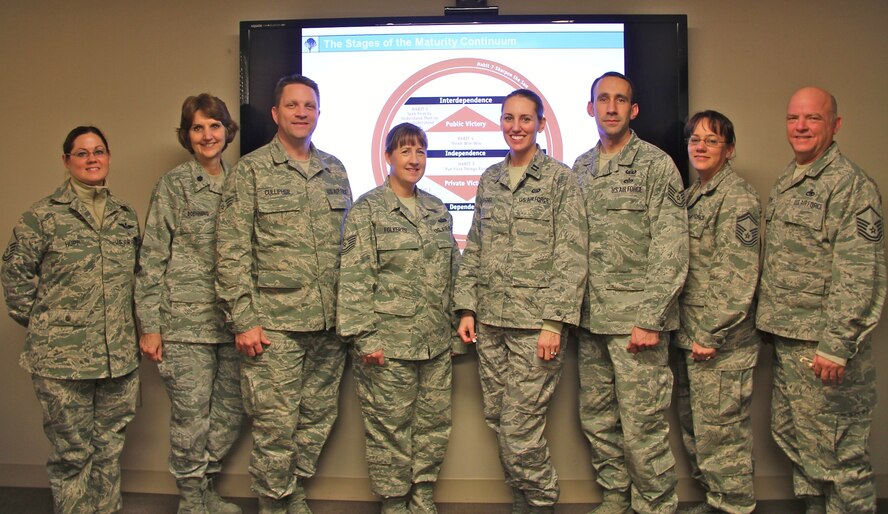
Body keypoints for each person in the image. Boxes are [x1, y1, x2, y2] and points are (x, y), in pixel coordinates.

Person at [215, 74, 352, 514]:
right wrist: (244, 319)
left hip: (328, 326)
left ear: (317, 113)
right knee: (275, 427)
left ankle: (292, 494)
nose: (301, 113)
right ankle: (274, 505)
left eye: (308, 106)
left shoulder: (335, 170)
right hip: (273, 326)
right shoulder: (251, 171)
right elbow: (231, 251)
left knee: (316, 420)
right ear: (276, 114)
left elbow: (350, 247)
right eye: (292, 105)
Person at [454, 89, 588, 514]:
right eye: (509, 118)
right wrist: (467, 306)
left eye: (526, 119)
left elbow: (572, 251)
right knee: (499, 421)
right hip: (491, 323)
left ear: (541, 124)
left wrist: (555, 322)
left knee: (519, 430)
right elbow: (476, 244)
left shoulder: (559, 179)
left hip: (535, 327)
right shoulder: (489, 178)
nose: (516, 127)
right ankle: (522, 505)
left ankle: (544, 503)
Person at [757, 87, 885, 514]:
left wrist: (836, 343)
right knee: (800, 444)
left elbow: (860, 272)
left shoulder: (851, 186)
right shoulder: (789, 180)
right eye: (795, 118)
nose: (801, 127)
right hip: (791, 342)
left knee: (839, 456)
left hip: (824, 350)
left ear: (836, 125)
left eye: (813, 119)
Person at [1, 126, 140, 514]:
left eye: (98, 151)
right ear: (66, 161)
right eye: (81, 153)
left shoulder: (125, 216)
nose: (92, 159)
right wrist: (48, 325)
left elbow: (139, 277)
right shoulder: (42, 217)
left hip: (117, 357)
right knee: (72, 452)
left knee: (109, 448)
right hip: (63, 360)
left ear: (109, 157)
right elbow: (14, 276)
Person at [571, 71, 688, 514]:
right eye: (603, 99)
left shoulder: (656, 165)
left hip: (637, 324)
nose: (612, 107)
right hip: (590, 322)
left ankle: (655, 507)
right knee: (599, 423)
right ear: (591, 108)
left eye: (621, 100)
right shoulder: (579, 168)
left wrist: (650, 318)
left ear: (633, 110)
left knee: (643, 429)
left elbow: (672, 248)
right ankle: (616, 501)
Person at [338, 123, 462, 514]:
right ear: (388, 157)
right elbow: (355, 277)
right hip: (387, 346)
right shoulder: (368, 210)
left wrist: (460, 324)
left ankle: (422, 499)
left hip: (435, 344)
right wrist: (365, 338)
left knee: (432, 429)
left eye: (421, 151)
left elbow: (453, 272)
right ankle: (394, 504)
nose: (414, 159)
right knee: (388, 431)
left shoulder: (438, 210)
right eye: (406, 151)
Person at [135, 94, 244, 514]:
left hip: (233, 322)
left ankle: (205, 484)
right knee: (190, 418)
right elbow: (153, 258)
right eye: (198, 128)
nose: (207, 135)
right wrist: (149, 325)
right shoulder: (173, 186)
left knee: (233, 413)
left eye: (214, 126)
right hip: (184, 325)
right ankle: (192, 500)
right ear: (187, 135)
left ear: (227, 130)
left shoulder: (240, 181)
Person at [672, 111, 761, 514]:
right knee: (700, 433)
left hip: (720, 344)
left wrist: (710, 335)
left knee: (723, 438)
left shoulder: (738, 198)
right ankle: (717, 503)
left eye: (712, 141)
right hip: (692, 339)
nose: (701, 147)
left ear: (730, 150)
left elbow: (738, 277)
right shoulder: (694, 196)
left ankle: (735, 507)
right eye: (695, 140)